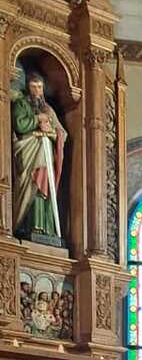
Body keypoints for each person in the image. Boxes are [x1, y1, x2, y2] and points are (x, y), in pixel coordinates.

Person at [11, 70, 66, 243]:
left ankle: (46, 228)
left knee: (45, 187)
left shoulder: (48, 109)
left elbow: (62, 134)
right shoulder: (21, 104)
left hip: (46, 155)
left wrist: (52, 132)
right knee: (31, 183)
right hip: (29, 152)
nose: (37, 91)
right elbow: (19, 125)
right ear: (28, 88)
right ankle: (28, 225)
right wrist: (36, 119)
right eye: (33, 87)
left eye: (40, 87)